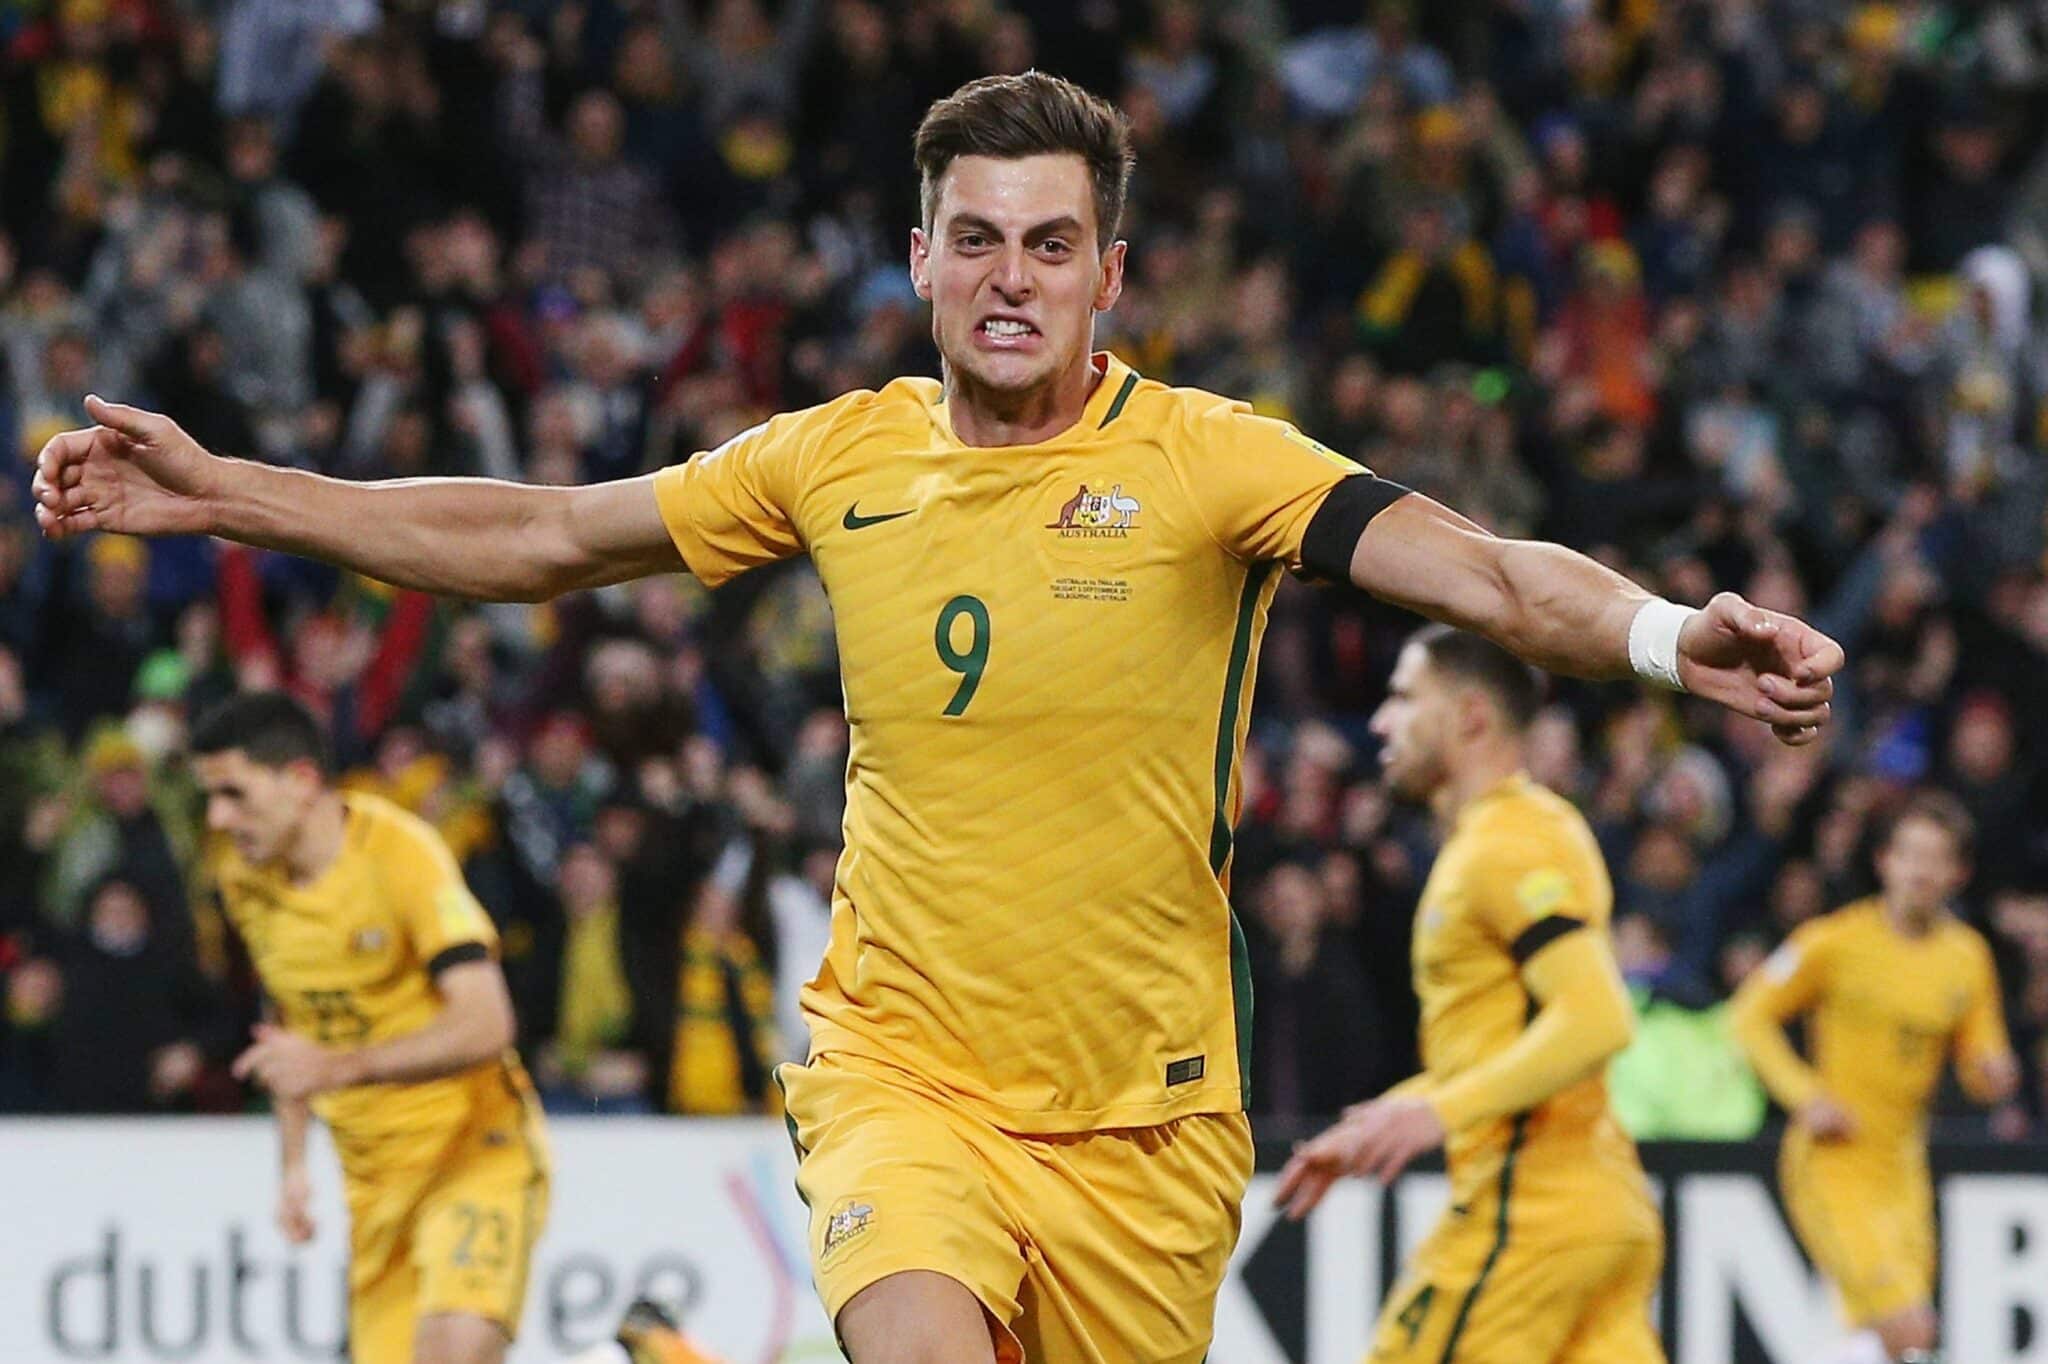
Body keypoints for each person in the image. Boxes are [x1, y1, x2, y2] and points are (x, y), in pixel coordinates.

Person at [35, 70, 1842, 1364]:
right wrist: (232, 496)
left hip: (1147, 1128)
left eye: (1050, 244)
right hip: (901, 1074)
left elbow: (1487, 574)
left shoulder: (1215, 464)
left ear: (1108, 273)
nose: (1008, 278)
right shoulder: (836, 457)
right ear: (917, 256)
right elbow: (541, 535)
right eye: (974, 238)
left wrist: (1661, 632)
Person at [1274, 626, 1664, 1362]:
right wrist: (1390, 1114)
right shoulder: (1531, 827)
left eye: (1403, 697)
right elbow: (1514, 1041)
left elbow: (1597, 1019)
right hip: (1598, 1212)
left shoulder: (1504, 845)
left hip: (1528, 1218)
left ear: (1470, 716)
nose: (1381, 722)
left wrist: (1436, 1112)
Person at [192, 693, 549, 1364]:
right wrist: (293, 1164)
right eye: (210, 797)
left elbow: (487, 1020)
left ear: (300, 782)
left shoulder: (401, 855)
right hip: (374, 1189)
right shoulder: (244, 878)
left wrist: (337, 1068)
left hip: (472, 1149)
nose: (218, 818)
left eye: (234, 794)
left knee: (449, 1357)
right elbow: (290, 1022)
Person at [1730, 792, 2018, 1364]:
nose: (1920, 871)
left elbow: (1981, 1062)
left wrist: (1994, 1075)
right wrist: (1804, 1095)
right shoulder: (1834, 942)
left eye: (1936, 858)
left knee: (1892, 1340)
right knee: (1907, 1329)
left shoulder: (1967, 956)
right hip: (1835, 1163)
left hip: (1904, 1170)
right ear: (1886, 860)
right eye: (1910, 854)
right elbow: (1747, 1016)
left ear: (1958, 873)